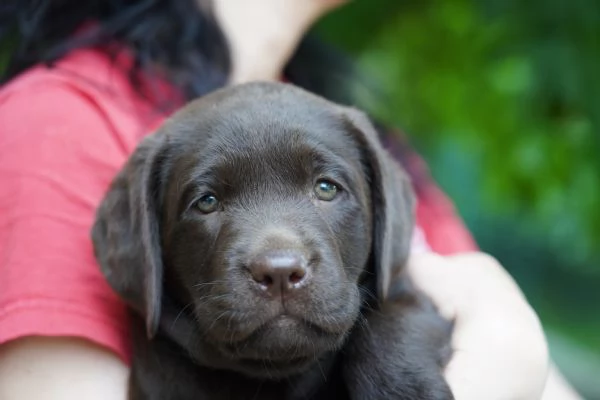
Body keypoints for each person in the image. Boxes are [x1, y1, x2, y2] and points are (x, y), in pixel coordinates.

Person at [0, 0, 580, 399]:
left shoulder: (375, 150)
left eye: (328, 189)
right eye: (206, 201)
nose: (278, 256)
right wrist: (503, 357)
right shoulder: (59, 127)